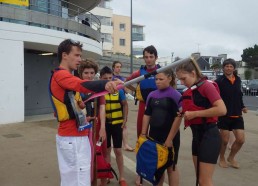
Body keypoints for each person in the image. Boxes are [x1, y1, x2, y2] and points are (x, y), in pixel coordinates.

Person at [49, 39, 121, 186]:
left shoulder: (68, 76)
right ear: (64, 55)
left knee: (80, 178)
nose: (79, 59)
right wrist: (105, 84)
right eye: (76, 55)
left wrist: (81, 112)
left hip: (77, 136)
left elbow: (71, 103)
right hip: (72, 138)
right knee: (77, 180)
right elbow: (81, 84)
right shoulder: (61, 75)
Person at [175, 57, 227, 186]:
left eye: (183, 78)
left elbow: (222, 109)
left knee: (205, 182)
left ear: (193, 73)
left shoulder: (207, 86)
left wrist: (194, 114)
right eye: (179, 79)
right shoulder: (193, 89)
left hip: (209, 136)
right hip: (197, 137)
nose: (182, 82)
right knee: (199, 179)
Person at [141, 69, 182, 186]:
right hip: (154, 136)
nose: (157, 82)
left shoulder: (175, 95)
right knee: (157, 167)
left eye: (161, 79)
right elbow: (147, 114)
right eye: (156, 79)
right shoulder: (151, 95)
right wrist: (143, 134)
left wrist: (169, 139)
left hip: (170, 137)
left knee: (171, 166)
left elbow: (178, 118)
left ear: (169, 78)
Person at [78, 59, 107, 186]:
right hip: (81, 130)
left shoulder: (99, 89)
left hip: (96, 128)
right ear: (81, 74)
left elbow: (102, 108)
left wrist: (103, 128)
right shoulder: (76, 89)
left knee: (97, 158)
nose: (89, 76)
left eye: (92, 73)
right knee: (83, 160)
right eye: (86, 73)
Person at [215, 58, 247, 169]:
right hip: (224, 114)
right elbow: (214, 97)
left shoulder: (238, 79)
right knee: (224, 141)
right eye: (227, 66)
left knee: (241, 140)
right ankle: (222, 158)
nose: (229, 68)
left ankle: (231, 157)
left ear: (234, 68)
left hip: (237, 114)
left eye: (231, 66)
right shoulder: (219, 81)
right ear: (223, 68)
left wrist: (242, 106)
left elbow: (239, 95)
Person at [100, 66, 128, 186]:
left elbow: (125, 105)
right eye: (105, 78)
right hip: (105, 126)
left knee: (118, 151)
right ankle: (106, 176)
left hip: (117, 125)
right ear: (101, 78)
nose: (108, 80)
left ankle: (121, 177)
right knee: (106, 151)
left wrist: (125, 120)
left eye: (110, 78)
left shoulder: (119, 90)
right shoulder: (100, 92)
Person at [126, 45, 160, 138]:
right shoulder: (139, 73)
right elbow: (126, 82)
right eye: (146, 57)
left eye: (151, 57)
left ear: (156, 58)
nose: (148, 59)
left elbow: (172, 86)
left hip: (158, 105)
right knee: (140, 132)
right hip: (143, 104)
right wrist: (136, 90)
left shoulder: (161, 71)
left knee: (157, 132)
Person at [112, 61, 134, 152]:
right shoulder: (111, 77)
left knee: (124, 124)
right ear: (113, 67)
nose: (119, 68)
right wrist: (122, 84)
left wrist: (122, 83)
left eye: (120, 67)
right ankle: (114, 143)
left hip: (122, 102)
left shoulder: (122, 78)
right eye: (117, 67)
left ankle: (125, 144)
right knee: (112, 124)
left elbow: (127, 90)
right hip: (113, 102)